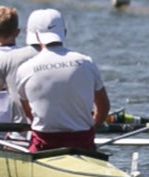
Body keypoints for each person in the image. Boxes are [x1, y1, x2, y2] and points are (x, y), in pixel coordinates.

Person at [11, 9, 111, 154]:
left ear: (35, 36)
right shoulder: (86, 62)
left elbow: (29, 113)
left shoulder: (25, 69)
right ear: (64, 32)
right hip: (82, 141)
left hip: (45, 144)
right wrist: (94, 126)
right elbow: (104, 107)